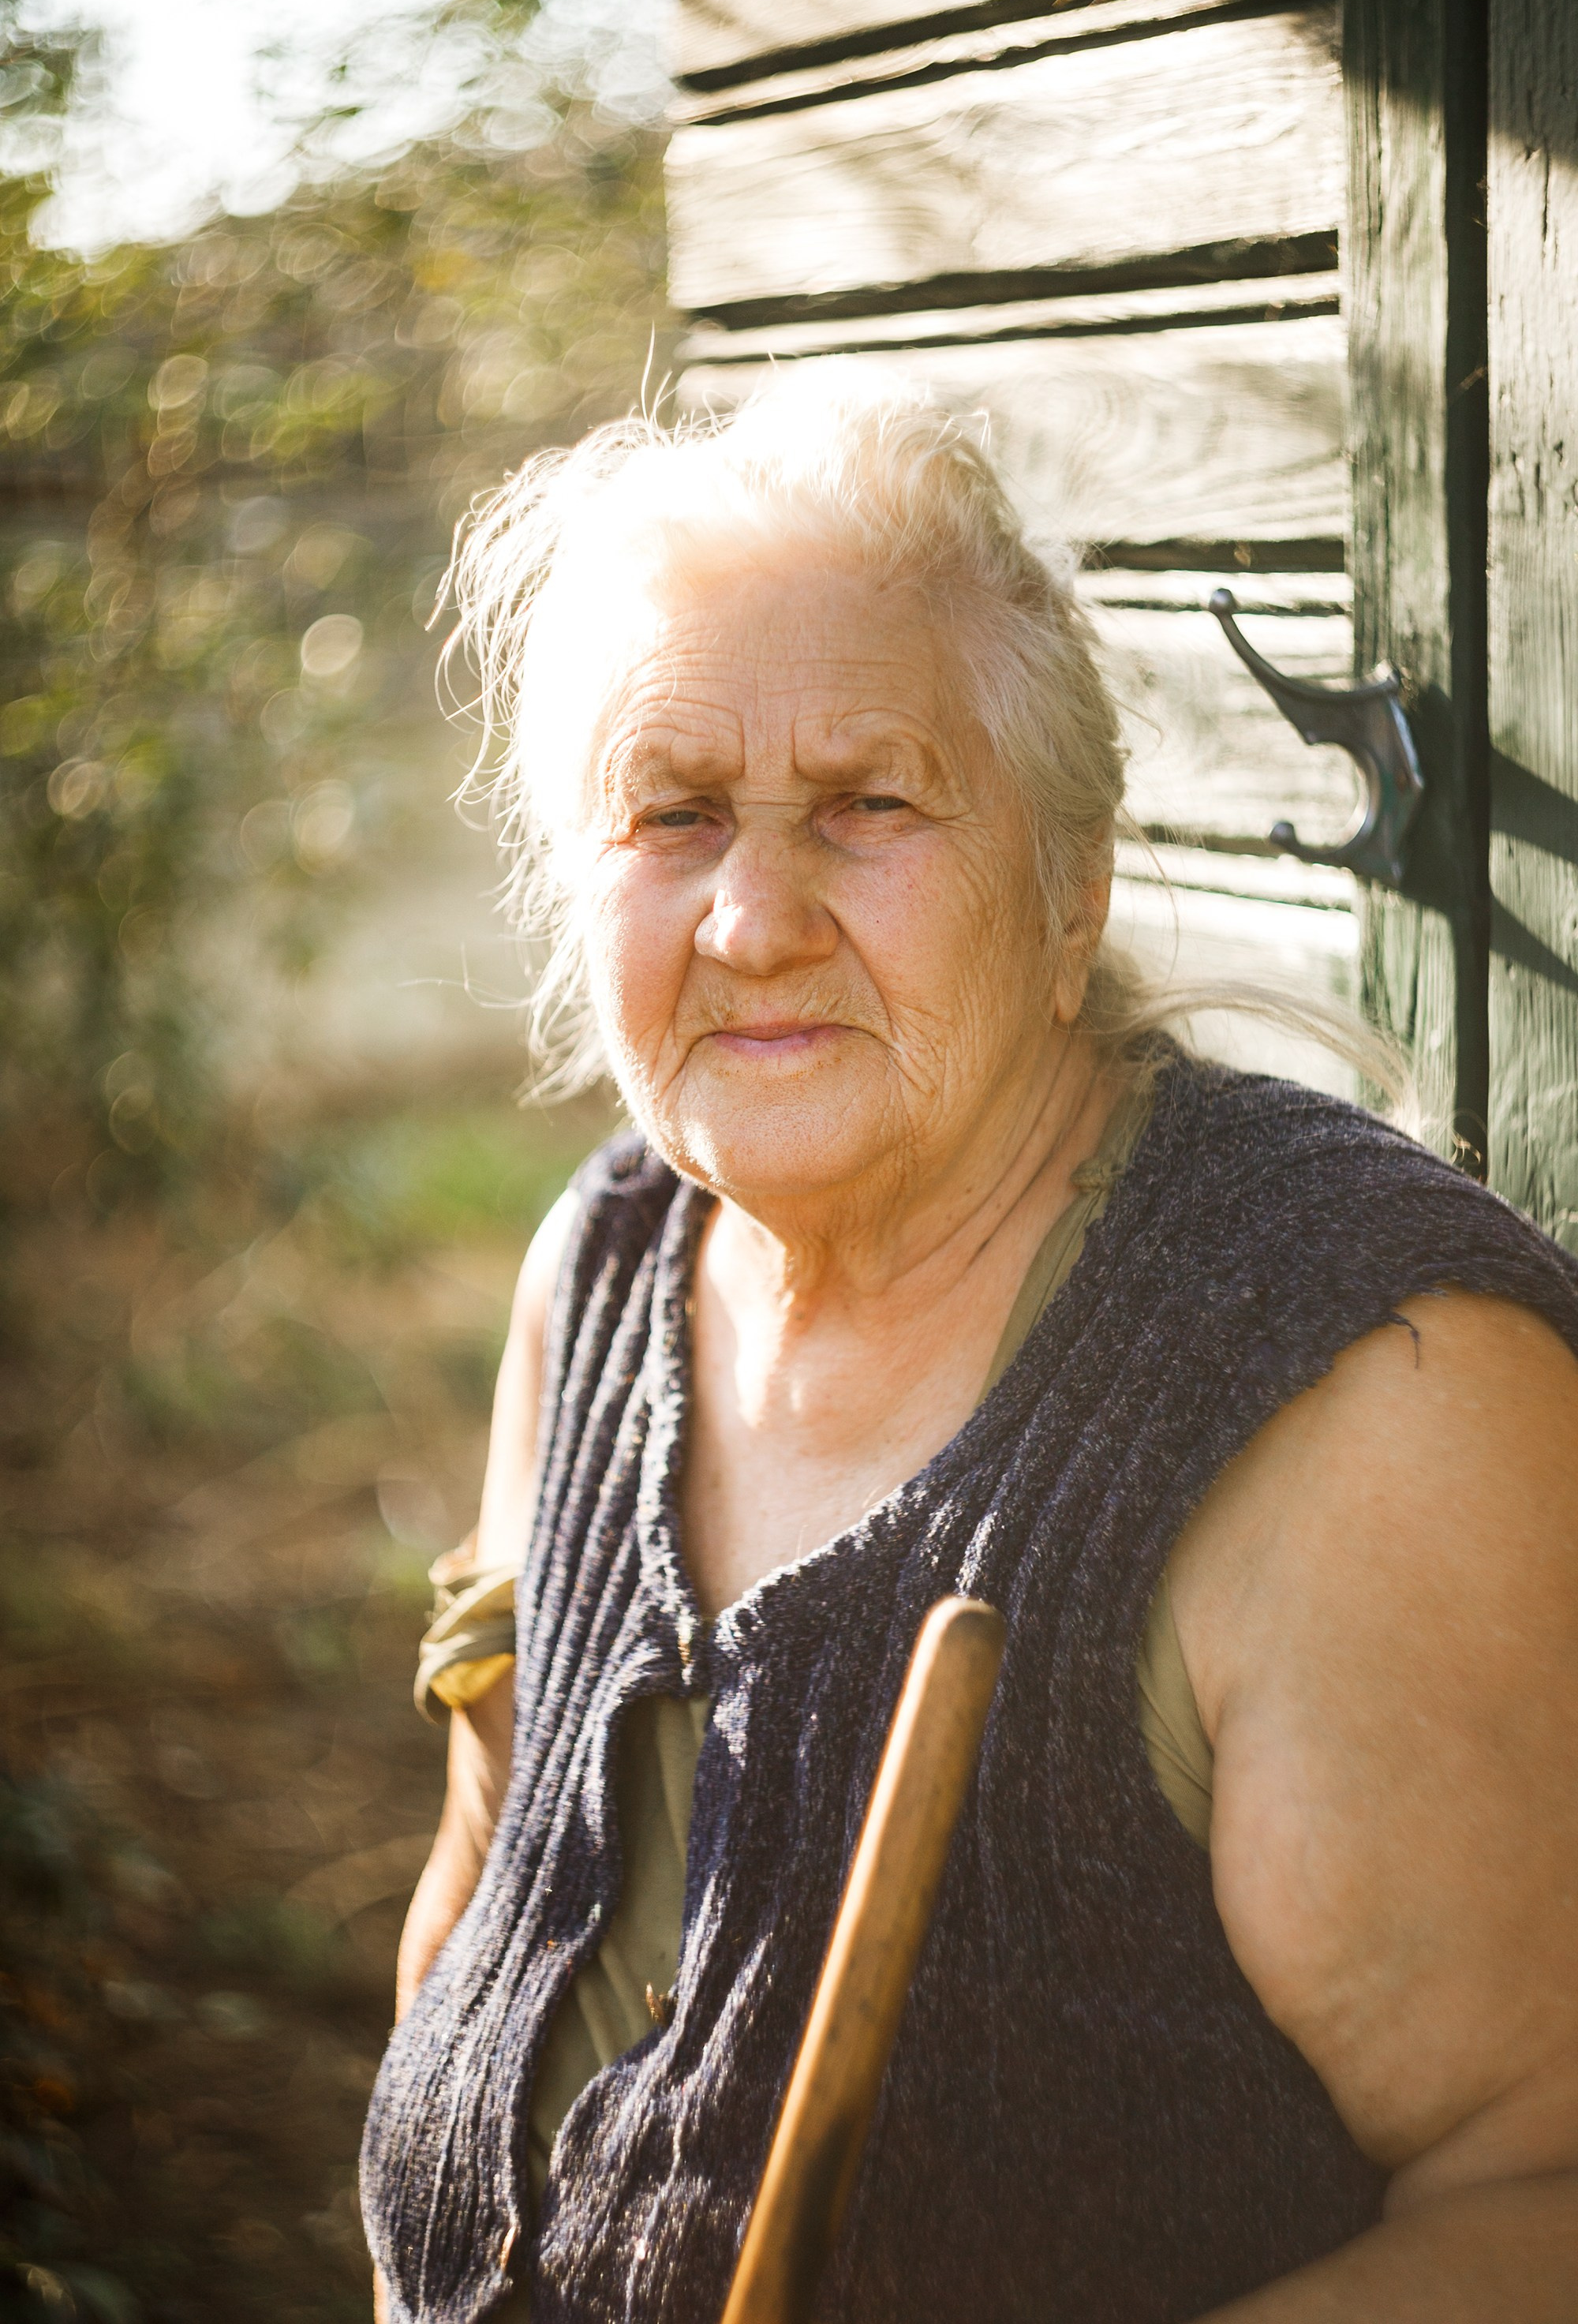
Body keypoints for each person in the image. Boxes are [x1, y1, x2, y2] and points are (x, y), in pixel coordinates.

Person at [361, 383, 1578, 2324]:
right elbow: (485, 1897)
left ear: (1067, 882)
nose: (753, 919)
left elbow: (1542, 2195)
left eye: (868, 803)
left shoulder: (1371, 1385)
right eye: (673, 813)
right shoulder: (600, 1267)